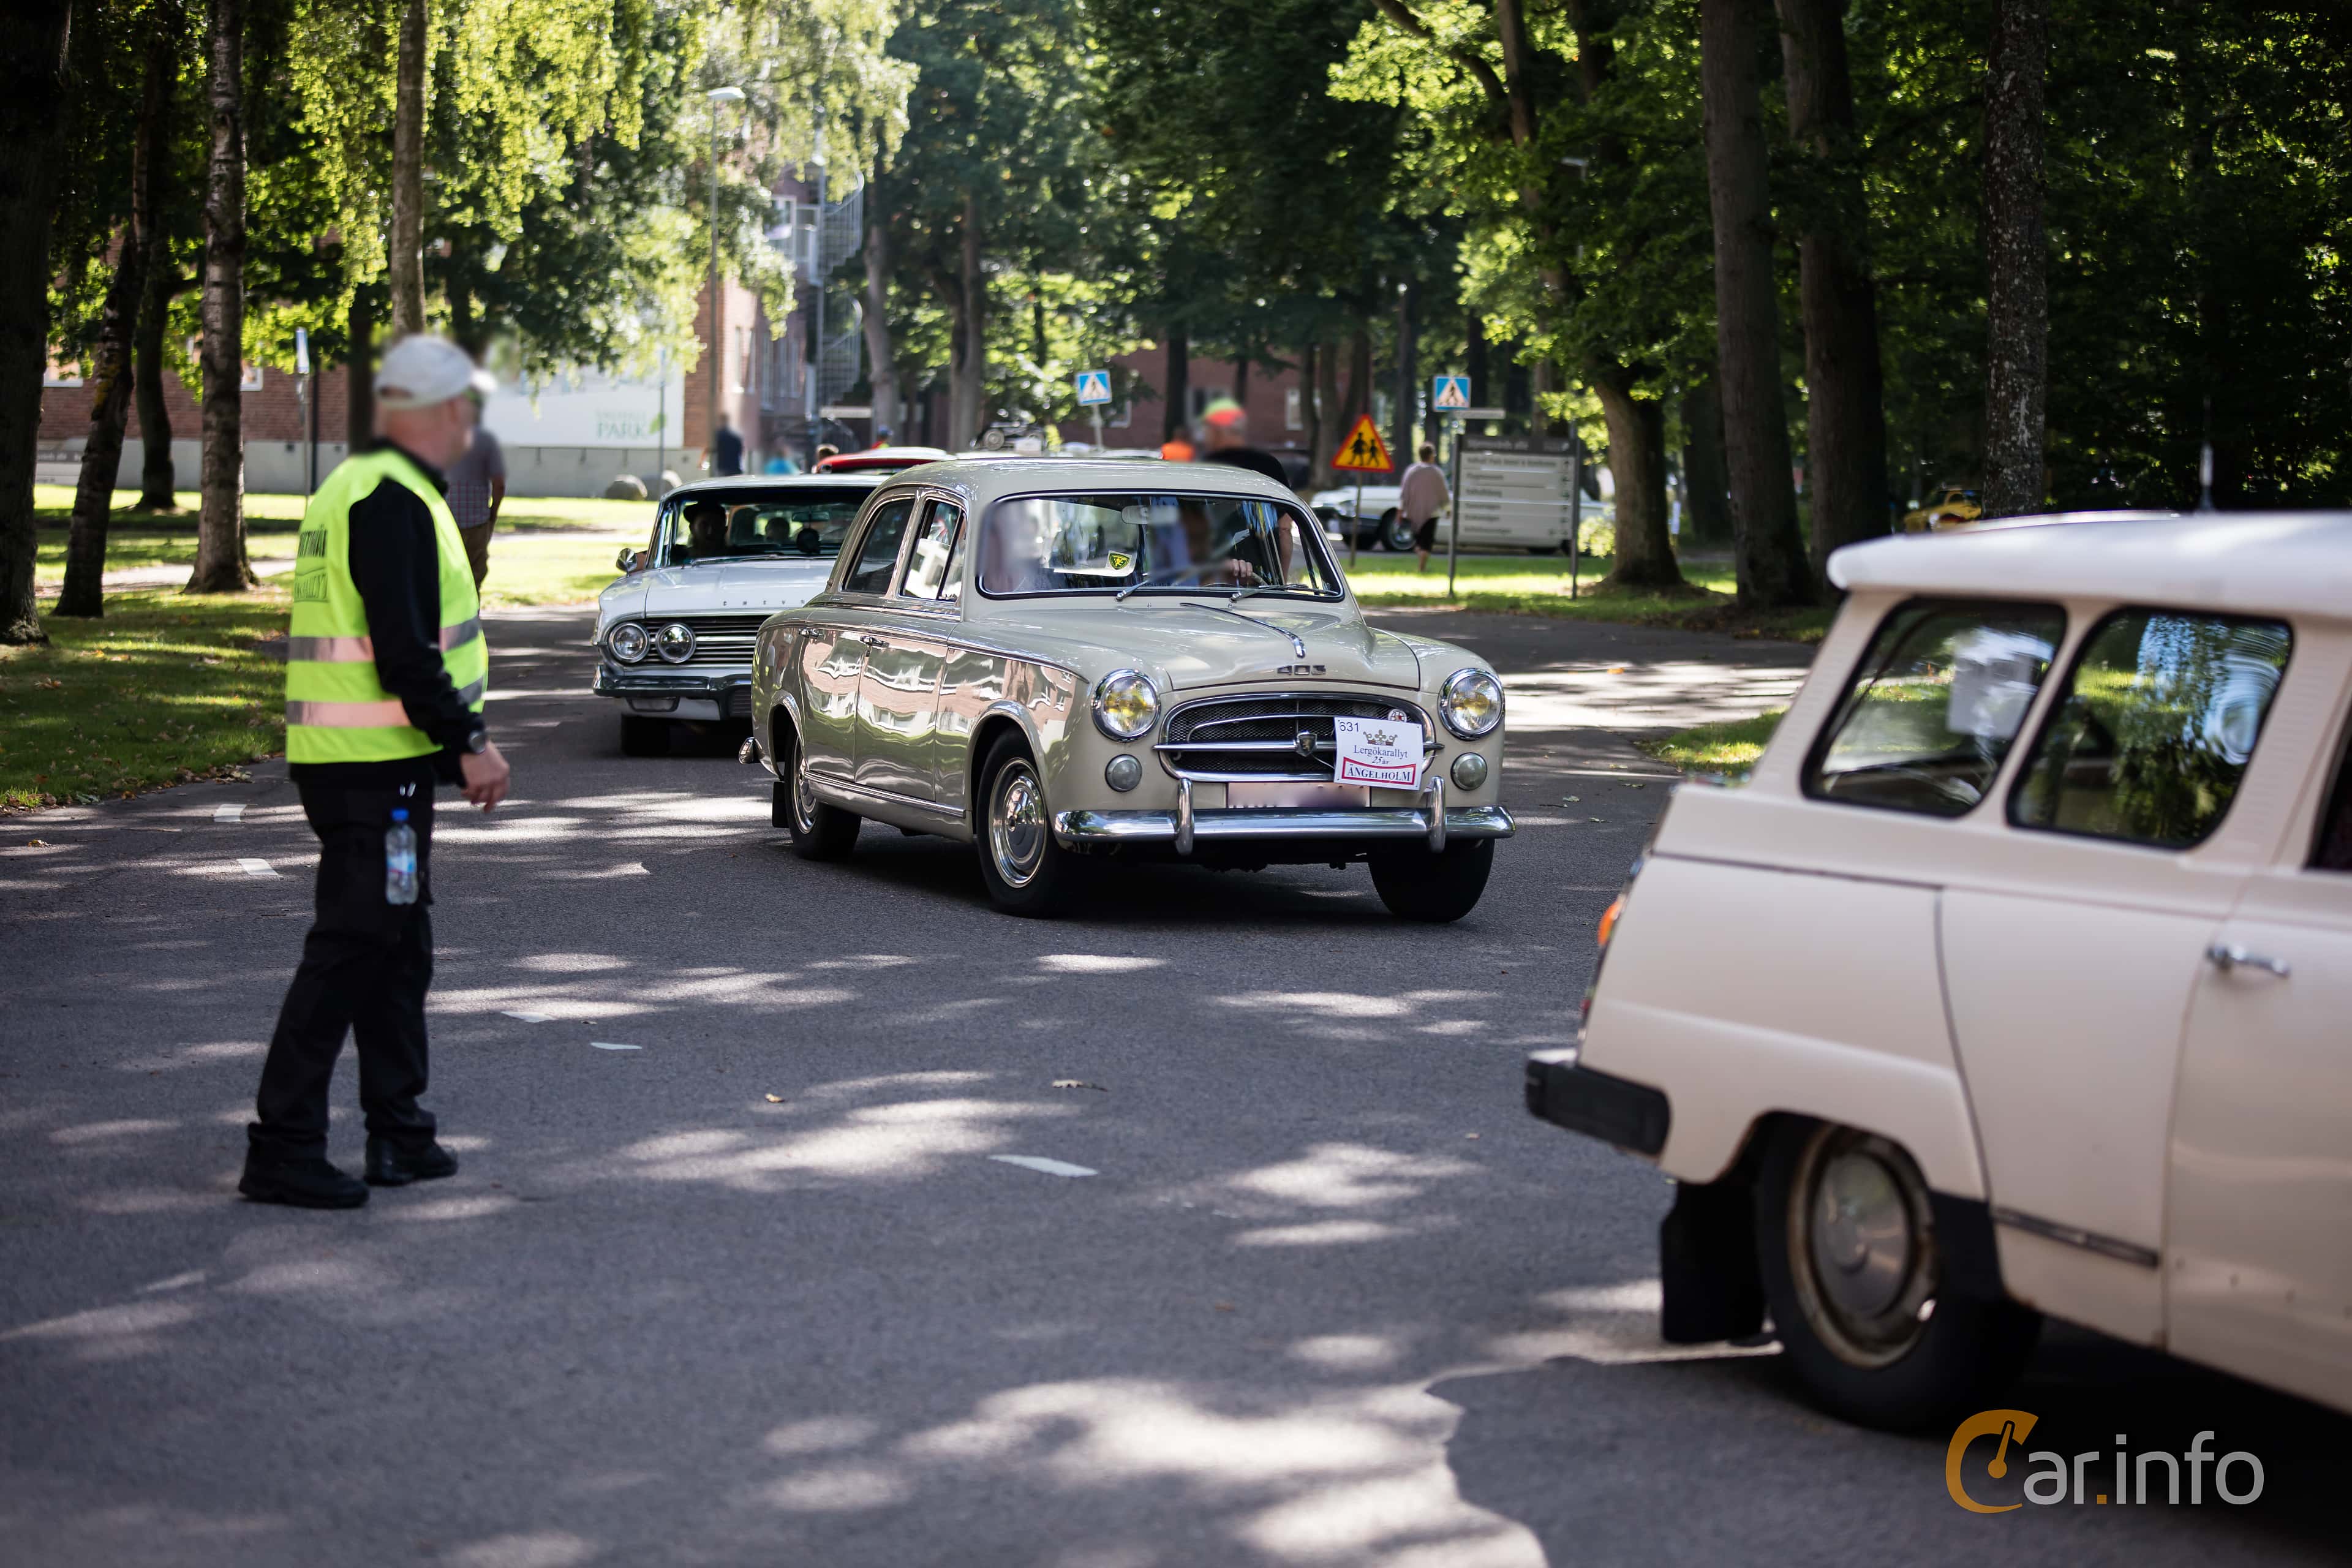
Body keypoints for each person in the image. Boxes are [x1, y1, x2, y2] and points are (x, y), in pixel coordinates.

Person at [242, 335, 513, 1210]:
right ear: (431, 412)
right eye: (463, 410)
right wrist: (468, 740)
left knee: (398, 945)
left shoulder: (355, 486)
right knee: (359, 945)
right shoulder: (391, 498)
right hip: (376, 777)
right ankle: (283, 1146)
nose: (469, 427)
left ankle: (399, 1131)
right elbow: (402, 652)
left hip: (372, 769)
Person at [445, 394, 505, 589]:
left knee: (446, 580)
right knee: (473, 582)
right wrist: (492, 515)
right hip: (477, 524)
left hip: (446, 524)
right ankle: (471, 618)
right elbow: (499, 485)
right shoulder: (487, 442)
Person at [1197, 399, 1287, 487]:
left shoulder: (1206, 468)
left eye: (1206, 428)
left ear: (1217, 431)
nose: (1205, 436)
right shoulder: (1269, 464)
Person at [1400, 441, 1452, 573]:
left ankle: (1421, 564)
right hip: (1432, 514)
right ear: (1431, 456)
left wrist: (1401, 510)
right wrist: (1447, 509)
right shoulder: (1437, 473)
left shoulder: (1411, 472)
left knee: (1418, 542)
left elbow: (1404, 493)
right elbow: (1443, 493)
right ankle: (1422, 566)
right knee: (1426, 543)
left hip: (1413, 512)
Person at [712, 412, 744, 477]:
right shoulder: (735, 435)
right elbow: (741, 452)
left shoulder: (719, 434)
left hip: (723, 467)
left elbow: (715, 449)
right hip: (735, 467)